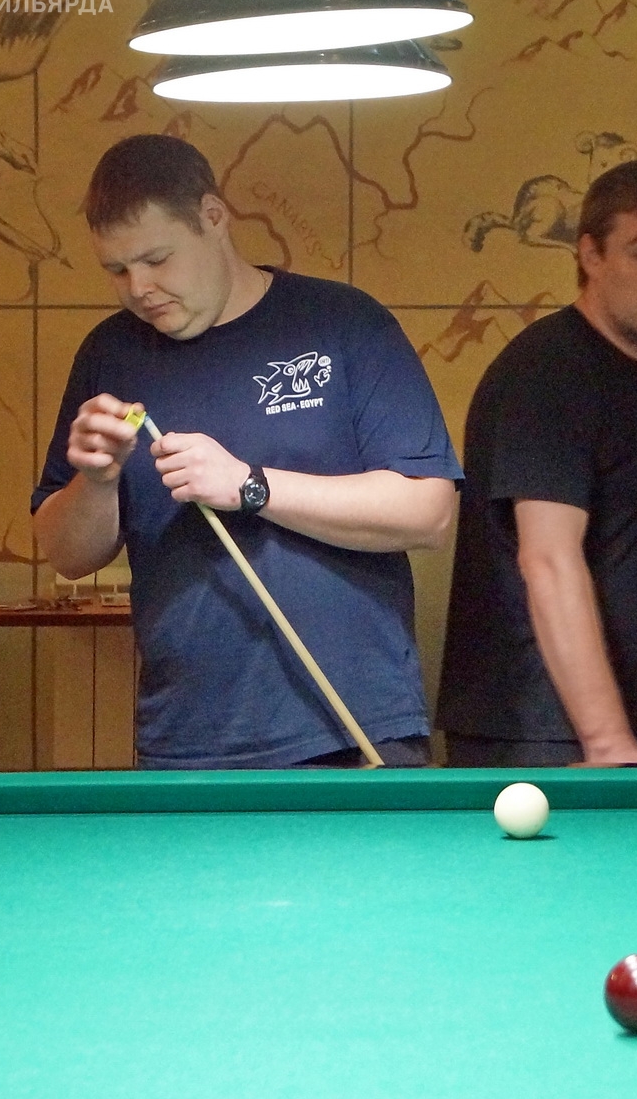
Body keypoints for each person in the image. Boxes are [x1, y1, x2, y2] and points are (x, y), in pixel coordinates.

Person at [32, 134, 461, 769]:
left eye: (156, 259)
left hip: (356, 730)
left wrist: (249, 486)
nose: (139, 288)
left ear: (213, 216)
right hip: (186, 740)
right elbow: (67, 555)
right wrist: (94, 482)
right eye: (117, 270)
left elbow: (428, 513)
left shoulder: (343, 323)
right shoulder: (110, 354)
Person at [437, 160, 637, 766]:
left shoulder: (629, 366)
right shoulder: (551, 372)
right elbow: (548, 558)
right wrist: (606, 738)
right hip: (537, 730)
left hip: (581, 728)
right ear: (590, 254)